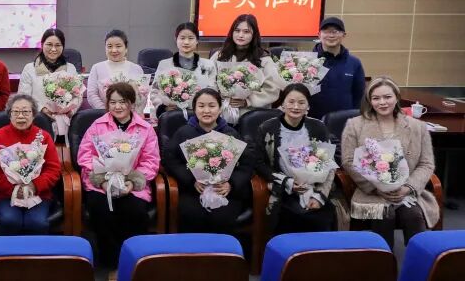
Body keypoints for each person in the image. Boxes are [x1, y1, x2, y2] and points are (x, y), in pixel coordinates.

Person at [342, 77, 438, 250]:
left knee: (413, 216)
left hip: (406, 192)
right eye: (376, 98)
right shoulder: (354, 125)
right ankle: (383, 261)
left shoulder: (418, 127)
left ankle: (419, 261)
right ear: (369, 101)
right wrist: (377, 188)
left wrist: (407, 188)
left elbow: (426, 163)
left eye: (387, 97)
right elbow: (348, 161)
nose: (382, 102)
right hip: (371, 191)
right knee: (384, 215)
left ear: (397, 97)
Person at [77, 82, 159, 267]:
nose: (117, 106)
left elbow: (151, 161)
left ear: (131, 103)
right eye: (113, 102)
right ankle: (111, 263)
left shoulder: (145, 128)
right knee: (102, 210)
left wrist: (132, 183)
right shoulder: (97, 126)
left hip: (132, 184)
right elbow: (85, 156)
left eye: (122, 102)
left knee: (135, 211)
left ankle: (133, 261)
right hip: (101, 184)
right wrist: (103, 181)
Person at [163, 88, 255, 234]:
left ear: (220, 109)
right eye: (201, 106)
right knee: (191, 214)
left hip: (224, 191)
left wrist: (231, 184)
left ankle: (222, 249)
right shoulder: (184, 133)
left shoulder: (230, 134)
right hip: (193, 190)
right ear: (194, 109)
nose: (206, 110)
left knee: (221, 217)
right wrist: (191, 180)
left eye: (212, 106)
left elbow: (247, 164)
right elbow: (170, 160)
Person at [254, 84, 336, 235]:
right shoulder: (267, 128)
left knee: (322, 217)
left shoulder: (318, 127)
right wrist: (288, 182)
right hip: (283, 188)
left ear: (308, 106)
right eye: (291, 102)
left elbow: (329, 165)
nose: (296, 107)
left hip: (314, 187)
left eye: (301, 102)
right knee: (291, 216)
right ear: (282, 104)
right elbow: (258, 163)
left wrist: (319, 196)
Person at [0, 94, 62, 235]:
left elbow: (53, 169)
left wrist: (34, 186)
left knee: (36, 222)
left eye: (25, 111)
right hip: (7, 193)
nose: (21, 116)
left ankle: (38, 250)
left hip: (38, 193)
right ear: (9, 114)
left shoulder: (43, 136)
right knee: (10, 220)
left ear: (33, 115)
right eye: (16, 111)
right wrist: (12, 188)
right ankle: (7, 250)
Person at [209, 14, 285, 116]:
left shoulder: (263, 59)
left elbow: (272, 89)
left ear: (254, 34)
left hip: (251, 113)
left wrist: (248, 101)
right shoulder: (219, 55)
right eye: (237, 30)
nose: (240, 35)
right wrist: (221, 97)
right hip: (221, 111)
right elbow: (209, 81)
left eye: (246, 32)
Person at [153, 22, 217, 116]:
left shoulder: (208, 65)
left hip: (201, 115)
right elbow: (155, 91)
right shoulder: (164, 64)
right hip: (171, 115)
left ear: (197, 40)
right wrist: (164, 107)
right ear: (176, 39)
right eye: (182, 38)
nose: (186, 42)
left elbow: (213, 92)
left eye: (191, 38)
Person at [309, 17, 366, 119]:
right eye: (326, 31)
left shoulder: (354, 63)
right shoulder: (306, 61)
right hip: (313, 121)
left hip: (345, 122)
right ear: (319, 35)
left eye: (335, 31)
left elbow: (359, 96)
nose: (331, 35)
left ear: (344, 35)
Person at [18, 28, 80, 114]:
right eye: (49, 44)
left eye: (58, 45)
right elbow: (24, 97)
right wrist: (42, 109)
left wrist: (71, 111)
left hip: (65, 117)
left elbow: (78, 95)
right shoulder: (29, 69)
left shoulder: (70, 68)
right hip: (38, 116)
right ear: (42, 45)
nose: (53, 49)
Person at [86, 30, 145, 110]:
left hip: (131, 114)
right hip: (104, 113)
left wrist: (130, 112)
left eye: (118, 46)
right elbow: (92, 95)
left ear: (126, 48)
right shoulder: (97, 68)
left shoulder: (137, 69)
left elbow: (142, 95)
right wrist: (105, 111)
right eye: (109, 46)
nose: (114, 50)